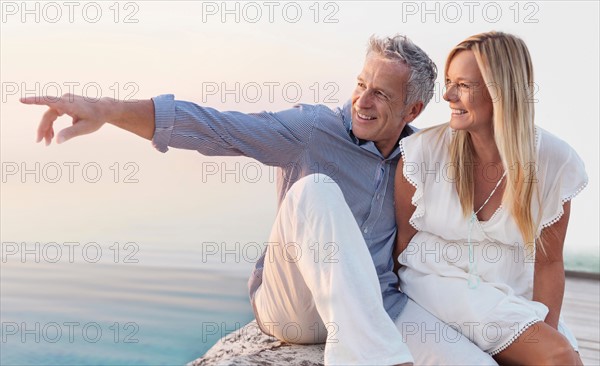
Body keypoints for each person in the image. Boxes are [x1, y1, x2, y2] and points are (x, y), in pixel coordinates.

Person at [21, 34, 497, 365]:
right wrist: (105, 109)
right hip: (293, 308)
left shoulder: (420, 155)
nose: (361, 101)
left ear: (412, 109)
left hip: (378, 304)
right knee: (315, 189)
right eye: (359, 85)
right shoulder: (312, 131)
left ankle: (369, 346)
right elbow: (213, 126)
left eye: (379, 94)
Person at [394, 31, 588, 365]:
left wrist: (544, 331)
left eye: (464, 85)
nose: (448, 95)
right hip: (437, 281)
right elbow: (403, 244)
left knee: (563, 353)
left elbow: (549, 262)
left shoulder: (555, 162)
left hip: (510, 292)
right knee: (558, 357)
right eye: (450, 81)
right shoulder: (422, 154)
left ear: (502, 92)